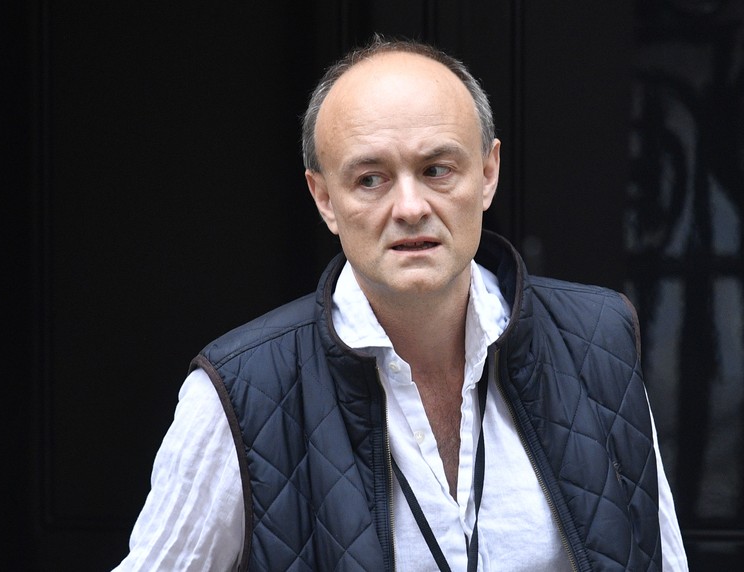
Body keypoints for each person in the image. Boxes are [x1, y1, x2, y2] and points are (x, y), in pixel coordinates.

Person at [115, 37, 687, 571]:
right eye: (370, 179)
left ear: (487, 174)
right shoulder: (240, 392)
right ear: (324, 198)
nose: (410, 206)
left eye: (437, 170)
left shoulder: (599, 342)